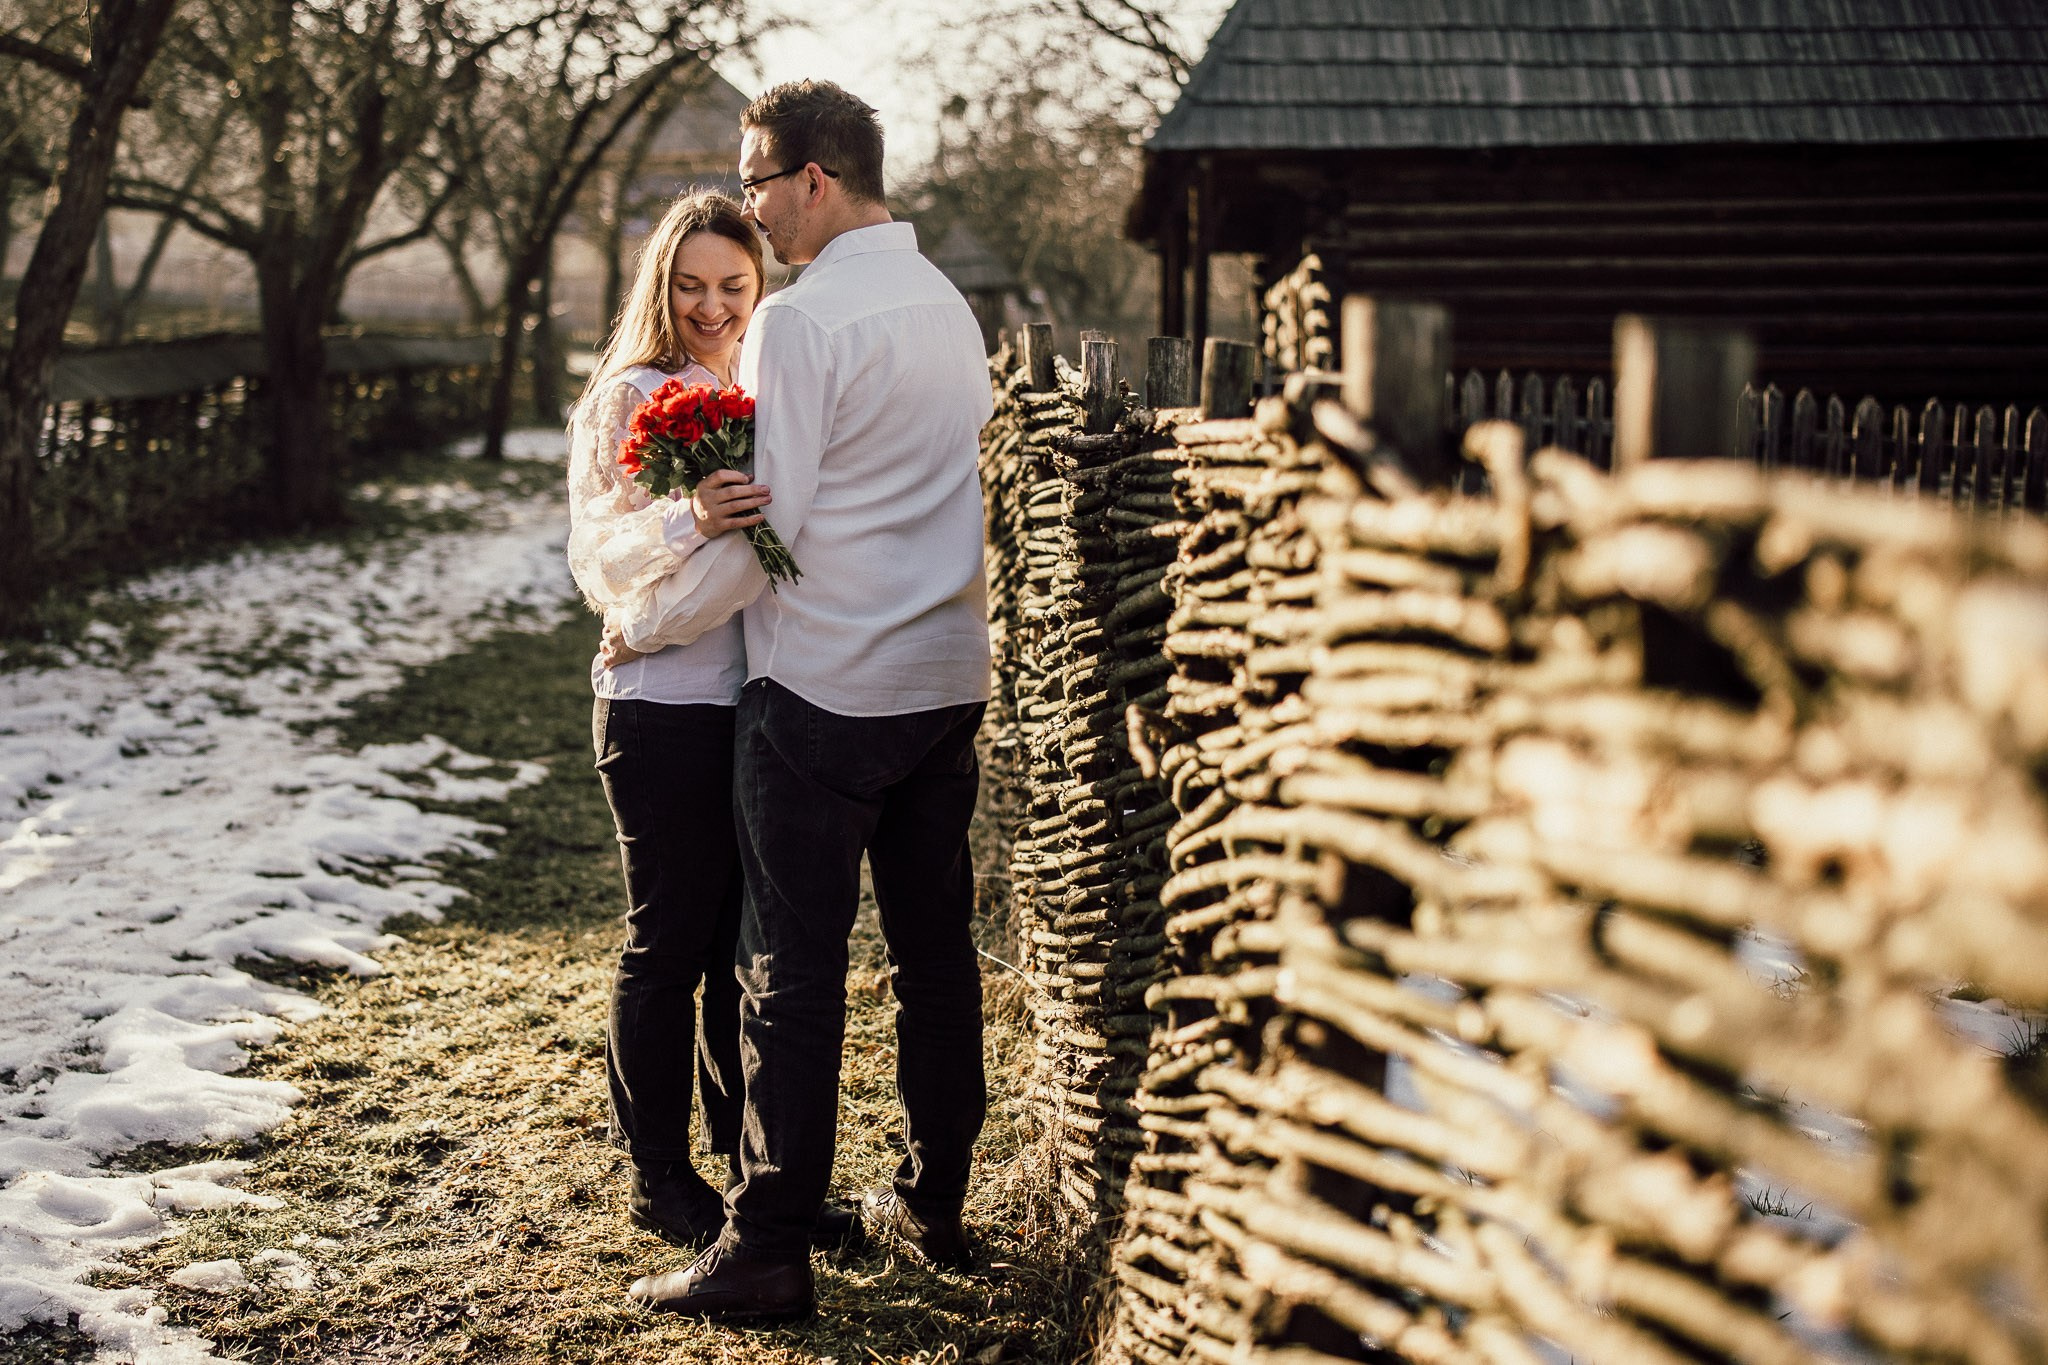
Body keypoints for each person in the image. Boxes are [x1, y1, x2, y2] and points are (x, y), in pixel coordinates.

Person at [618, 81, 995, 1322]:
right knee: (937, 957)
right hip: (943, 681)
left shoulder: (805, 317)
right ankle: (936, 1204)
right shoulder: (948, 308)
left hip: (823, 686)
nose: (754, 209)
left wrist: (646, 607)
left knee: (789, 968)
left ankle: (768, 1246)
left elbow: (761, 524)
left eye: (759, 180)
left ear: (814, 180)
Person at [563, 190, 774, 1254]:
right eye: (688, 284)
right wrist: (687, 518)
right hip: (658, 714)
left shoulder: (765, 384)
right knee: (668, 949)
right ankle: (658, 1177)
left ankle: (756, 1178)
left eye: (730, 285)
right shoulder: (630, 395)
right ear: (660, 283)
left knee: (740, 958)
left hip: (755, 708)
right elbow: (598, 555)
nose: (709, 304)